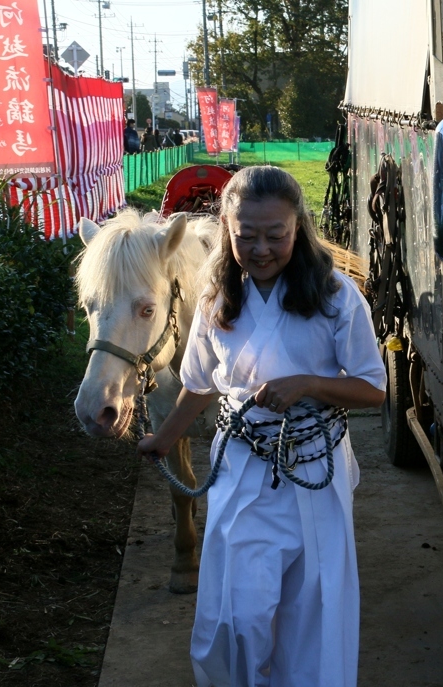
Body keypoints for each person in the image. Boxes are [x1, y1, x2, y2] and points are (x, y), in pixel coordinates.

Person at [137, 165, 385, 687]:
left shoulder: (336, 296)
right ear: (227, 228)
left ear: (300, 227)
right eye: (246, 235)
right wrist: (164, 439)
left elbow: (373, 388)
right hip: (241, 468)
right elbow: (200, 384)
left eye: (277, 235)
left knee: (312, 613)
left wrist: (308, 384)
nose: (262, 248)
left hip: (315, 468)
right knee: (238, 617)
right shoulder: (216, 299)